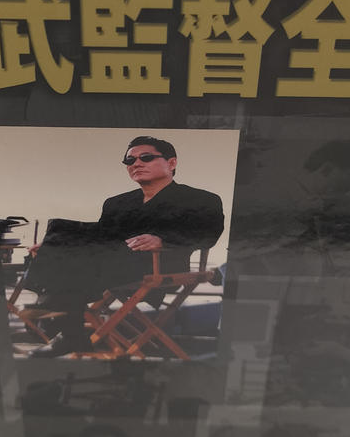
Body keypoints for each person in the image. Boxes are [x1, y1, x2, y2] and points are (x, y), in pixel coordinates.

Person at [28, 136, 224, 357]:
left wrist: (164, 240)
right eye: (130, 161)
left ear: (171, 163)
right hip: (112, 263)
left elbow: (208, 234)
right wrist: (55, 244)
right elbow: (101, 236)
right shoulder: (117, 203)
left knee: (74, 259)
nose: (136, 164)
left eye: (146, 157)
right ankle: (64, 325)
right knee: (61, 230)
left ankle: (57, 318)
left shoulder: (201, 199)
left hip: (160, 265)